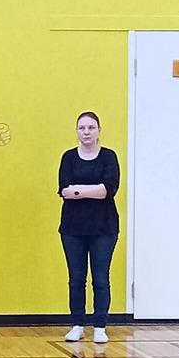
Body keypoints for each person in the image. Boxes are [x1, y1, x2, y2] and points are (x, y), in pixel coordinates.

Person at [57, 111, 121, 345]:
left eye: (91, 128)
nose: (86, 132)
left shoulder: (108, 157)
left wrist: (79, 190)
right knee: (76, 278)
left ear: (99, 131)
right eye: (82, 128)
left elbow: (108, 190)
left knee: (101, 278)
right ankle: (77, 325)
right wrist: (92, 190)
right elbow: (64, 190)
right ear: (77, 131)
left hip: (104, 228)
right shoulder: (68, 158)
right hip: (73, 228)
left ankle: (100, 326)